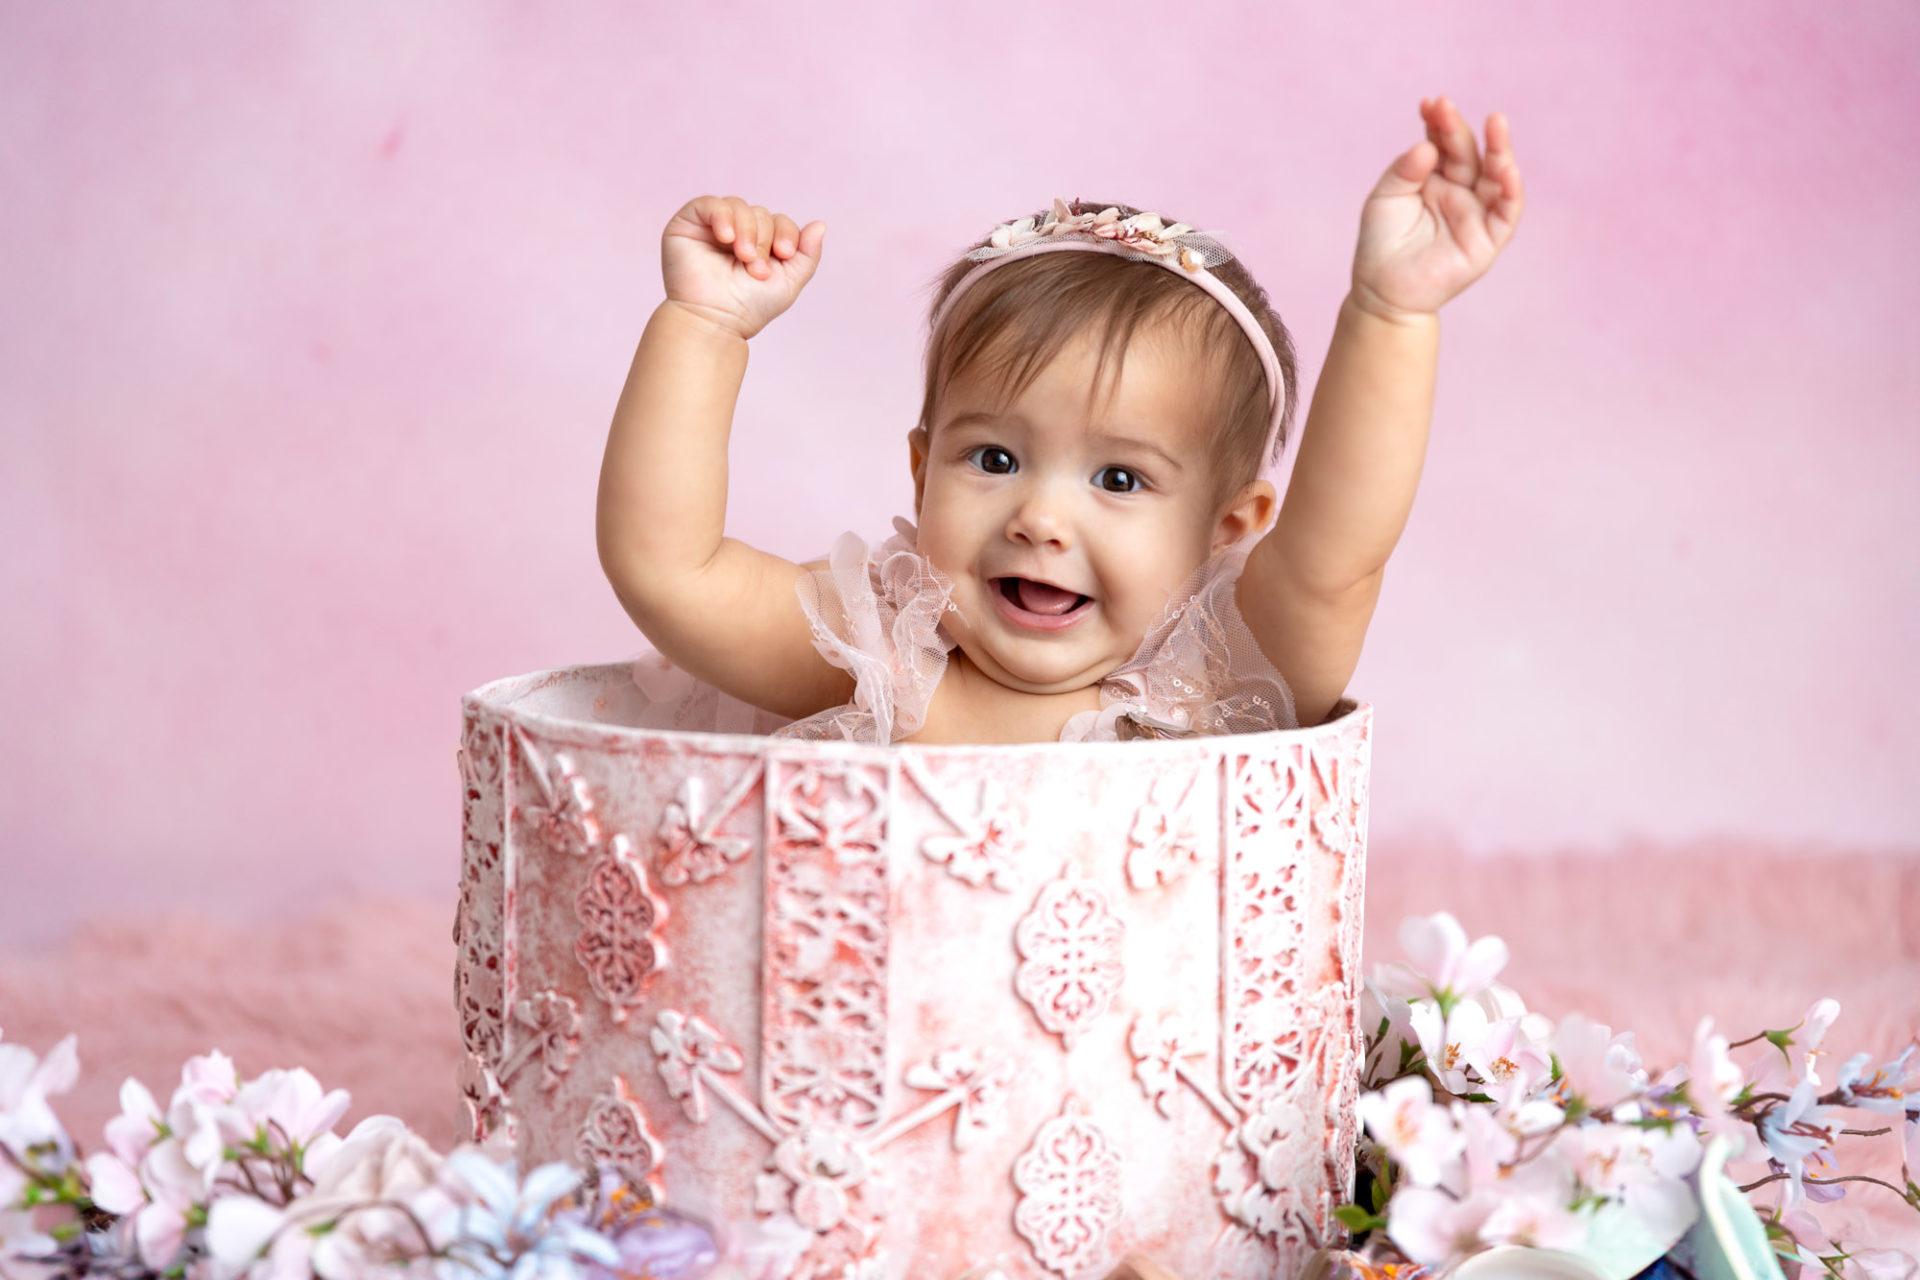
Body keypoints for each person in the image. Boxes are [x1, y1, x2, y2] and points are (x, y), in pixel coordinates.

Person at [598, 95, 1523, 746]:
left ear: (1229, 527)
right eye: (993, 457)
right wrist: (704, 326)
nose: (1039, 517)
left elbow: (1336, 557)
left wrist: (1392, 314)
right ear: (921, 472)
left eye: (1118, 479)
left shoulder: (1215, 685)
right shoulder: (877, 658)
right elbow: (670, 570)